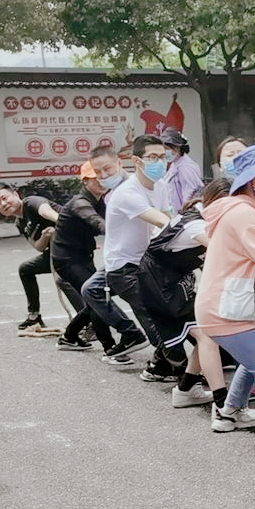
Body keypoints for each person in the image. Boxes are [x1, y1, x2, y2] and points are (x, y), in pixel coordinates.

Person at [195, 146, 255, 447]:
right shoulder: (244, 214)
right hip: (229, 309)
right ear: (253, 180)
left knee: (254, 358)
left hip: (220, 306)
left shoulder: (237, 208)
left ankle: (228, 413)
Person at [98, 134, 183, 379]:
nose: (160, 162)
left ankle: (159, 366)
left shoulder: (162, 186)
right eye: (153, 157)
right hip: (123, 268)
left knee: (169, 313)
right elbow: (162, 220)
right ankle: (184, 375)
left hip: (149, 263)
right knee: (156, 316)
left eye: (164, 157)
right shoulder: (126, 193)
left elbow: (169, 217)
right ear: (137, 161)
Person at [137, 179, 229, 408]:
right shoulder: (196, 226)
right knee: (208, 335)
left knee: (208, 333)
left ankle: (186, 389)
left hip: (169, 281)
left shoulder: (198, 214)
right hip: (162, 286)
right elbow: (225, 252)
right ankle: (224, 405)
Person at [78, 146, 150, 365]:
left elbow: (153, 217)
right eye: (97, 172)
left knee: (146, 309)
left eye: (107, 169)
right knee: (92, 289)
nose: (103, 176)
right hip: (118, 260)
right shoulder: (112, 193)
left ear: (119, 163)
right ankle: (131, 334)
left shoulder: (131, 188)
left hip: (134, 261)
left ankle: (171, 359)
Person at [50, 161, 115, 353]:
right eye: (97, 176)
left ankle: (69, 337)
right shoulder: (80, 203)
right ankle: (110, 347)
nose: (102, 179)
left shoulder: (100, 200)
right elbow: (97, 222)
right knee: (97, 298)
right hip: (67, 260)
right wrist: (117, 232)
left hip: (81, 257)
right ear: (86, 180)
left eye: (105, 174)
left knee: (95, 298)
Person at [0, 182, 64, 334]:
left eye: (4, 198)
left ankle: (91, 323)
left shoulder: (31, 203)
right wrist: (44, 236)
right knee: (26, 269)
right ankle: (34, 316)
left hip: (71, 250)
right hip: (53, 254)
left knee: (64, 280)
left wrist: (59, 228)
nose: (3, 204)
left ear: (16, 195)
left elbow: (51, 214)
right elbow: (38, 247)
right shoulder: (19, 222)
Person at [161, 131, 203, 212]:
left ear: (178, 148)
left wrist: (185, 213)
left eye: (168, 148)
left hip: (184, 216)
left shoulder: (185, 167)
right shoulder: (175, 164)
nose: (166, 152)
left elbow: (190, 194)